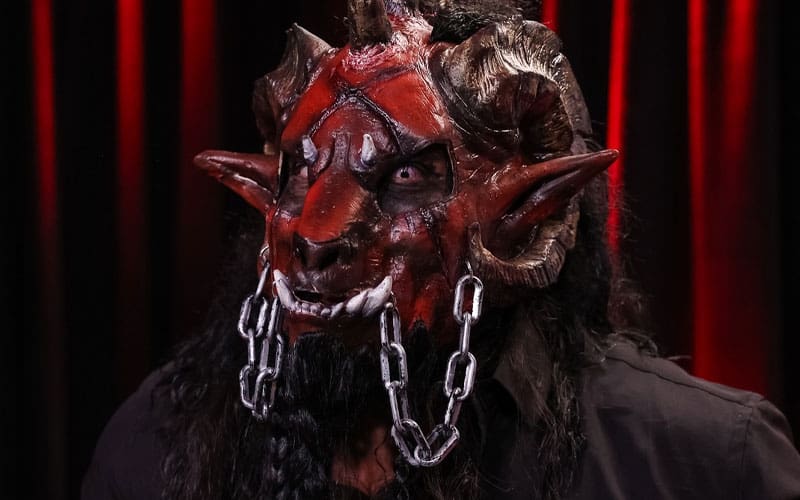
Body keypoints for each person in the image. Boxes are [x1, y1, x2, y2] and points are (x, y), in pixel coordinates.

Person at [82, 1, 800, 498]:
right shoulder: (155, 445)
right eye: (304, 170)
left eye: (405, 176)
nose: (315, 233)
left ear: (528, 210)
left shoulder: (704, 464)